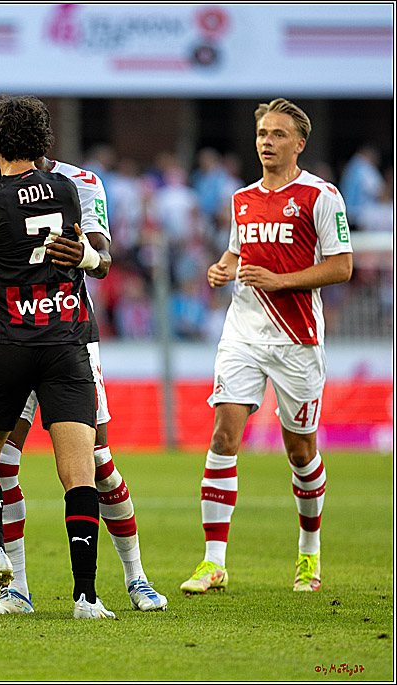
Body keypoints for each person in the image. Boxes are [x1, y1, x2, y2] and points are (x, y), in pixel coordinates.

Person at [181, 98, 353, 595]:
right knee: (223, 435)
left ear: (299, 143)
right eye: (262, 133)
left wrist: (280, 281)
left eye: (278, 134)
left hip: (297, 339)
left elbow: (342, 267)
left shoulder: (322, 197)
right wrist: (222, 267)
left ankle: (309, 552)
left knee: (300, 450)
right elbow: (238, 252)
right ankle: (213, 562)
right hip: (243, 333)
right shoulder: (242, 199)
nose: (267, 141)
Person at [0, 155, 168, 614]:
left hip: (70, 336)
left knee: (97, 463)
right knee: (3, 461)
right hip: (8, 340)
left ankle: (135, 576)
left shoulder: (80, 182)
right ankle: (18, 588)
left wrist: (88, 255)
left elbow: (103, 256)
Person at [0, 95, 114, 619]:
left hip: (11, 344)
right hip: (68, 341)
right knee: (79, 473)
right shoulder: (67, 189)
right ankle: (87, 597)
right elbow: (90, 255)